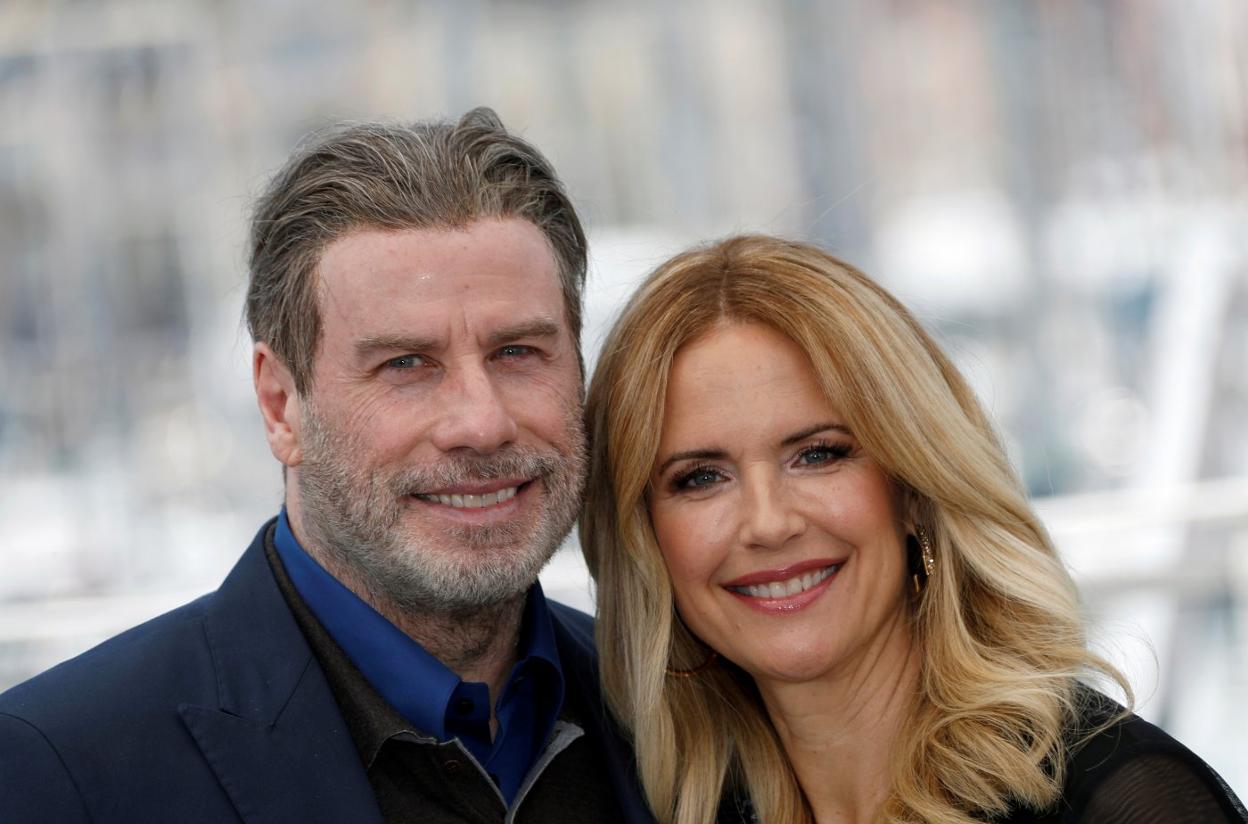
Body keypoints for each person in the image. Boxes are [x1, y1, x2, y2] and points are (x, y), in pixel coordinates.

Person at [0, 109, 651, 824]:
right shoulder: (56, 771)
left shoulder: (673, 713)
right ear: (281, 407)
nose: (482, 422)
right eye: (406, 364)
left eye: (518, 353)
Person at [581, 234, 1247, 824]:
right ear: (645, 538)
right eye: (700, 477)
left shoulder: (1120, 802)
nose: (768, 522)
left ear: (914, 490)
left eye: (818, 454)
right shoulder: (681, 803)